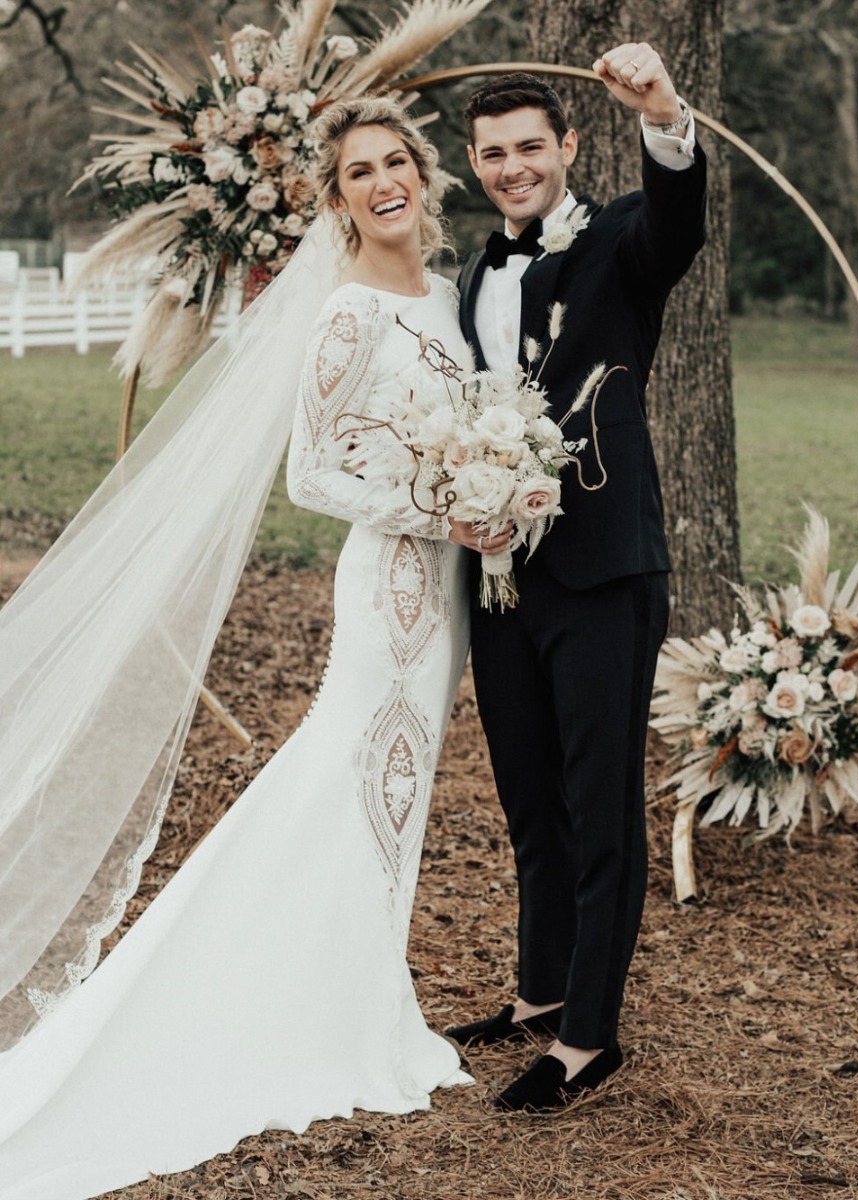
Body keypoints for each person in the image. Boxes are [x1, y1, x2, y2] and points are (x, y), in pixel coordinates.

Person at [0, 96, 509, 1200]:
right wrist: (441, 504)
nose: (383, 184)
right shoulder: (346, 315)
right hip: (392, 593)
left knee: (398, 787)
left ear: (424, 176)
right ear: (338, 200)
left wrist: (488, 485)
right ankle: (311, 1005)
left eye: (396, 164)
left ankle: (366, 987)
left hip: (450, 595)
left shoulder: (446, 295)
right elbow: (312, 473)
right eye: (358, 173)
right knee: (346, 771)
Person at [446, 46, 708, 1111]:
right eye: (493, 154)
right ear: (474, 166)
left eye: (530, 149)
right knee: (528, 799)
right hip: (504, 576)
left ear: (566, 149)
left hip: (602, 566)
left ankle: (588, 1040)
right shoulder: (473, 271)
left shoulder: (613, 244)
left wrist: (665, 117)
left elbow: (677, 224)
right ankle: (540, 992)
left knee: (600, 806)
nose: (514, 168)